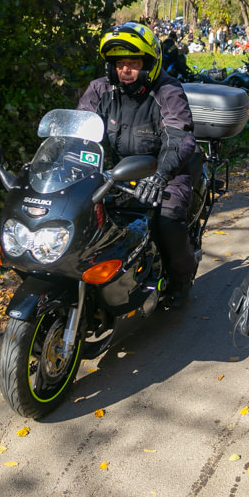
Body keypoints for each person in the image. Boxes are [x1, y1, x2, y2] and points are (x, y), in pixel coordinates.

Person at [78, 22, 198, 308]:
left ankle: (181, 280)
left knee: (168, 219)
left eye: (133, 63)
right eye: (120, 64)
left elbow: (179, 137)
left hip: (168, 170)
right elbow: (79, 131)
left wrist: (159, 176)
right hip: (120, 171)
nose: (125, 70)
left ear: (149, 64)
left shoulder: (167, 90)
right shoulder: (101, 89)